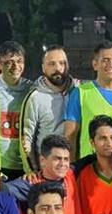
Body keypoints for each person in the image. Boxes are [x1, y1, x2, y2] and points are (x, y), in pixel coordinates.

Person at [7, 134, 84, 214]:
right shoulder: (29, 184)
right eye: (57, 159)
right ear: (43, 160)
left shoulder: (71, 174)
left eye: (66, 159)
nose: (63, 164)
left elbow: (92, 159)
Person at [20, 45, 76, 173]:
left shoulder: (78, 92)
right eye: (52, 64)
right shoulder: (35, 97)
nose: (58, 68)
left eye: (62, 63)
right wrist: (31, 170)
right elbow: (26, 137)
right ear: (43, 68)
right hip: (47, 171)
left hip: (73, 168)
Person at [0, 41, 33, 180]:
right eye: (9, 62)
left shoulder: (32, 88)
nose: (15, 67)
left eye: (19, 61)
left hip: (25, 165)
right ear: (0, 65)